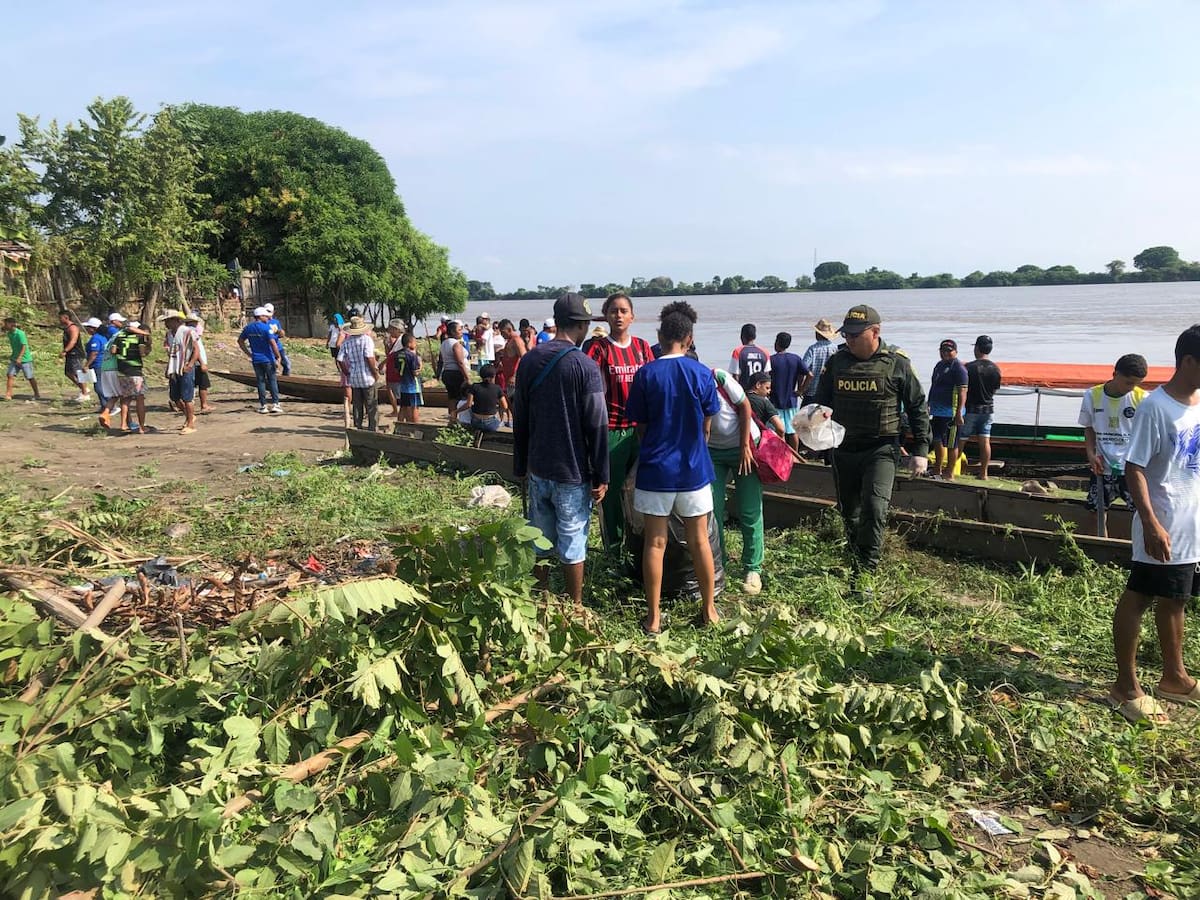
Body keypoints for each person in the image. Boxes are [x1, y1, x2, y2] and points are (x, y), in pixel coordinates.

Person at [1107, 325, 1200, 725]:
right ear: (1188, 361)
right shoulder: (1155, 407)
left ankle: (1174, 678)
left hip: (1191, 523)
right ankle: (1125, 686)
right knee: (1139, 596)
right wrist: (1150, 523)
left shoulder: (1197, 404)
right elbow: (1135, 467)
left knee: (1176, 598)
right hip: (1162, 522)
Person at [815, 305, 930, 590]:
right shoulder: (837, 362)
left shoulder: (897, 363)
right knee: (849, 512)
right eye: (847, 335)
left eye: (856, 335)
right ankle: (857, 559)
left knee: (875, 509)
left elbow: (917, 406)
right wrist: (813, 421)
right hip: (843, 448)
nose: (850, 340)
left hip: (881, 449)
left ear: (875, 332)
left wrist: (921, 451)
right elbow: (821, 401)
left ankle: (865, 575)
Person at [625, 302, 721, 634]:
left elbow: (640, 426)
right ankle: (709, 610)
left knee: (655, 543)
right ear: (689, 338)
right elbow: (707, 424)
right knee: (700, 541)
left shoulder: (646, 373)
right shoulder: (701, 373)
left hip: (655, 470)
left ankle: (653, 617)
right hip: (693, 469)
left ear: (659, 336)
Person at [513, 293, 609, 609]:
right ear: (581, 326)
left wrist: (520, 465)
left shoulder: (529, 361)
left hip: (538, 467)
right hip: (572, 471)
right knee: (573, 541)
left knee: (539, 540)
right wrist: (602, 474)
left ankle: (540, 600)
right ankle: (575, 606)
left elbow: (520, 416)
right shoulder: (585, 366)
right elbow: (597, 424)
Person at [585, 291, 654, 551]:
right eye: (613, 311)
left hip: (641, 430)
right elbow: (589, 389)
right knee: (611, 493)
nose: (618, 315)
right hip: (611, 430)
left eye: (624, 311)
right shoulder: (598, 348)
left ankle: (639, 546)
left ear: (632, 317)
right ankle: (613, 549)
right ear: (606, 316)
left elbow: (653, 385)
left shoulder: (643, 348)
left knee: (641, 490)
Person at [709, 359, 765, 595]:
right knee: (711, 510)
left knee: (749, 508)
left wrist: (744, 447)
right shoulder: (680, 387)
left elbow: (745, 406)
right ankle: (717, 562)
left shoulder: (719, 377)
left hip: (744, 445)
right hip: (712, 451)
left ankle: (753, 567)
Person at [1078, 354, 1148, 524]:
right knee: (1096, 512)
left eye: (1136, 384)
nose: (1131, 388)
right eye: (1128, 383)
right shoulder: (1092, 395)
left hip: (1131, 468)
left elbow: (1147, 435)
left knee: (1142, 514)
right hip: (1102, 466)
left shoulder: (1143, 398)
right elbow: (1089, 428)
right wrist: (1091, 455)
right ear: (1115, 374)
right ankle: (1101, 539)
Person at [949, 335, 1002, 481]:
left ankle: (950, 471)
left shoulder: (968, 368)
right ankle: (983, 474)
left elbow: (962, 388)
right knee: (985, 442)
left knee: (960, 440)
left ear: (977, 348)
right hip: (988, 409)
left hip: (970, 409)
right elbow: (995, 389)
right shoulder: (996, 369)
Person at [927, 339, 968, 478]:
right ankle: (937, 469)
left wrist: (959, 413)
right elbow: (933, 385)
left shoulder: (959, 368)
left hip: (952, 412)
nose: (945, 353)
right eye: (943, 350)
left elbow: (963, 391)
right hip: (937, 411)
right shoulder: (939, 366)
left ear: (955, 352)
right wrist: (929, 403)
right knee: (937, 439)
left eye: (949, 351)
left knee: (952, 444)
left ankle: (949, 473)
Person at [160, 310, 200, 434]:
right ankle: (189, 416)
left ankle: (190, 424)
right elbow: (171, 354)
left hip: (185, 366)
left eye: (168, 321)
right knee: (175, 397)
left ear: (176, 320)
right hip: (174, 367)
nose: (166, 323)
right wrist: (168, 367)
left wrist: (190, 364)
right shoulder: (169, 334)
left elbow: (196, 350)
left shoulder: (188, 332)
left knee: (187, 397)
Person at [338, 315, 380, 431]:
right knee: (371, 404)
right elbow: (369, 358)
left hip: (354, 377)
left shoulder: (347, 342)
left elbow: (340, 359)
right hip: (367, 377)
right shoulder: (367, 340)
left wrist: (346, 372)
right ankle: (372, 428)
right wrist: (375, 373)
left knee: (357, 405)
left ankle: (358, 427)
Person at [110, 319, 153, 433]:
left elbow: (113, 351)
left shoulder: (119, 337)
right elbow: (142, 353)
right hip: (135, 370)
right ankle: (142, 426)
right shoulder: (139, 338)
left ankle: (123, 424)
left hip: (121, 370)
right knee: (140, 399)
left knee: (125, 398)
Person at [238, 306, 282, 414]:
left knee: (261, 382)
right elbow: (273, 344)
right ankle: (276, 404)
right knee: (272, 380)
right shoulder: (266, 328)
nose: (268, 318)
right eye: (266, 316)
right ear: (260, 316)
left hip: (256, 360)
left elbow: (240, 341)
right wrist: (278, 357)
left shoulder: (248, 328)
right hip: (268, 359)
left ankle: (263, 406)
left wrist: (249, 354)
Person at [768, 332, 806, 451]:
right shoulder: (795, 358)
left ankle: (780, 453)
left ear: (776, 343)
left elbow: (766, 377)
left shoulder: (771, 360)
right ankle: (795, 455)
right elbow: (809, 374)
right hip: (791, 399)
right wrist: (800, 390)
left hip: (775, 400)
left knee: (777, 430)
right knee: (792, 430)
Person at [797, 318, 839, 407]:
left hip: (812, 392)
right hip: (830, 392)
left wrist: (801, 389)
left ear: (818, 334)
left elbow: (802, 370)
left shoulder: (812, 349)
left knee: (805, 415)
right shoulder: (835, 349)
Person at [439, 320, 471, 424]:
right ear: (453, 332)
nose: (461, 332)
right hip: (456, 373)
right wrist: (467, 378)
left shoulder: (444, 343)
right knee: (459, 398)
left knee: (452, 397)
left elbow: (441, 360)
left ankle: (452, 419)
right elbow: (460, 362)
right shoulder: (455, 344)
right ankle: (458, 419)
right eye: (459, 330)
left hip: (447, 372)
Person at [3, 316, 40, 401]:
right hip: (14, 358)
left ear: (11, 324)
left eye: (6, 324)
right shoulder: (9, 334)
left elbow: (24, 346)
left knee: (29, 377)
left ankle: (37, 393)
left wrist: (20, 357)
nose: (4, 326)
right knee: (10, 375)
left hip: (25, 359)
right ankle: (8, 394)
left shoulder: (20, 334)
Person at [97, 315, 123, 427]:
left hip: (105, 367)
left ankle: (106, 413)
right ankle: (126, 423)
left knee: (115, 394)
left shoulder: (108, 339)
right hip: (114, 367)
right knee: (124, 396)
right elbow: (115, 351)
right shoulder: (117, 334)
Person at [186, 312, 215, 413]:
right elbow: (196, 350)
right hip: (196, 362)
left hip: (192, 362)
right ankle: (203, 405)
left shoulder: (186, 331)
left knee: (192, 384)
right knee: (203, 384)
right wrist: (202, 362)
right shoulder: (192, 332)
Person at [466, 364, 508, 432]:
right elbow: (505, 406)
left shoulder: (474, 386)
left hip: (476, 421)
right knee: (498, 422)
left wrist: (456, 411)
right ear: (494, 376)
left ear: (481, 375)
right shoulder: (497, 388)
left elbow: (468, 405)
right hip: (490, 422)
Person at [728, 323, 770, 390]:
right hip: (759, 391)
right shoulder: (764, 352)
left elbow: (735, 376)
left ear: (742, 336)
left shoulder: (738, 352)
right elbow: (766, 375)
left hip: (745, 392)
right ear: (755, 337)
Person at [59, 311, 89, 403]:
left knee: (78, 373)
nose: (59, 320)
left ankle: (85, 394)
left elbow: (73, 341)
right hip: (70, 354)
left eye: (60, 317)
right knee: (68, 373)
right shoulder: (66, 328)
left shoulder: (73, 328)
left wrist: (65, 351)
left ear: (66, 317)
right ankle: (83, 388)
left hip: (76, 354)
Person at [748, 371, 786, 438]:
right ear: (758, 385)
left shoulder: (741, 399)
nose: (769, 391)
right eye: (767, 388)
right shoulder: (764, 402)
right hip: (757, 439)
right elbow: (781, 429)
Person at [396, 332, 423, 424]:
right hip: (413, 386)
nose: (416, 344)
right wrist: (421, 366)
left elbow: (396, 369)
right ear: (409, 343)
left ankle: (399, 425)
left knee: (403, 407)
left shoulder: (398, 354)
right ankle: (415, 426)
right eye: (414, 342)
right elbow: (415, 372)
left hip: (403, 385)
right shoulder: (412, 356)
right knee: (414, 407)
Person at [496, 318, 526, 397]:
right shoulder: (509, 341)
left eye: (503, 332)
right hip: (508, 380)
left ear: (509, 329)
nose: (502, 335)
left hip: (514, 381)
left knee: (514, 402)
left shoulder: (516, 340)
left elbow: (524, 358)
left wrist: (514, 376)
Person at [83, 318, 106, 411]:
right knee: (101, 385)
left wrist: (86, 365)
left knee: (98, 387)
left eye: (88, 327)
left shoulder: (95, 339)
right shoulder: (103, 337)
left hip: (98, 364)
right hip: (103, 364)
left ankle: (110, 404)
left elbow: (94, 353)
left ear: (93, 328)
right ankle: (104, 406)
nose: (87, 329)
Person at [383, 321, 404, 420]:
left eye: (391, 329)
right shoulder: (396, 341)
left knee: (396, 389)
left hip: (397, 367)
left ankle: (398, 410)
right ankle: (395, 410)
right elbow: (390, 354)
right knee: (390, 388)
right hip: (392, 366)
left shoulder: (402, 340)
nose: (390, 331)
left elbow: (395, 354)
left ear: (397, 329)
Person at [264, 303, 291, 376]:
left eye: (269, 311)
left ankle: (286, 379)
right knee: (272, 367)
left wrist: (281, 333)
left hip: (278, 347)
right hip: (269, 348)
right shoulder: (262, 323)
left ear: (273, 312)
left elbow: (280, 334)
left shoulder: (276, 322)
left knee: (287, 364)